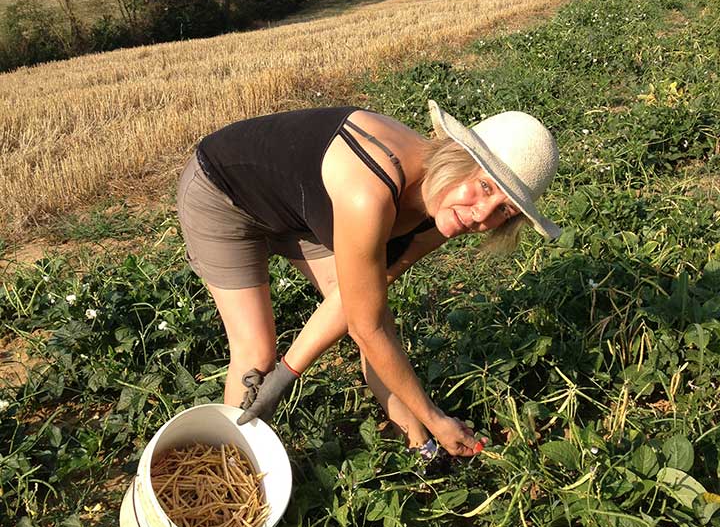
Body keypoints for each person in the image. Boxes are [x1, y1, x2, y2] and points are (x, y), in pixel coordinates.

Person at [176, 99, 561, 458]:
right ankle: (228, 469)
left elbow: (358, 310)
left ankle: (421, 448)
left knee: (375, 317)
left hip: (295, 210)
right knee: (256, 354)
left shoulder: (441, 211)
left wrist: (290, 371)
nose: (481, 215)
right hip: (223, 191)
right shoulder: (371, 191)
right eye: (484, 187)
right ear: (458, 158)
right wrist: (279, 374)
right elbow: (365, 327)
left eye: (504, 212)